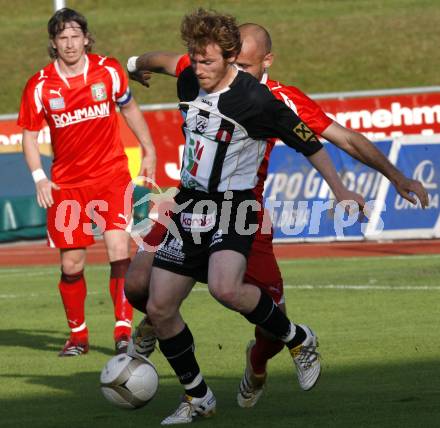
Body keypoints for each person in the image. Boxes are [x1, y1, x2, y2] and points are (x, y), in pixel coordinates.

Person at [126, 19, 429, 415]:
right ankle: (184, 372)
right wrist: (133, 65)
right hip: (190, 203)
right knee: (140, 287)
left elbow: (341, 140)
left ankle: (261, 362)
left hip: (242, 212)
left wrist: (393, 176)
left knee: (262, 321)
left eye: (248, 65)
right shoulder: (199, 70)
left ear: (264, 61)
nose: (239, 71)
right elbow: (165, 59)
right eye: (234, 63)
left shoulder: (271, 100)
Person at [18, 8, 156, 357]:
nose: (69, 43)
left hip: (111, 177)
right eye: (62, 37)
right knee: (71, 265)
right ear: (53, 43)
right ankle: (78, 336)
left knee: (119, 250)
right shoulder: (40, 86)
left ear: (86, 38)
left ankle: (123, 332)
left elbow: (130, 109)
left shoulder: (108, 71)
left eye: (75, 35)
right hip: (67, 186)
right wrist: (39, 178)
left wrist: (149, 149)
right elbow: (30, 137)